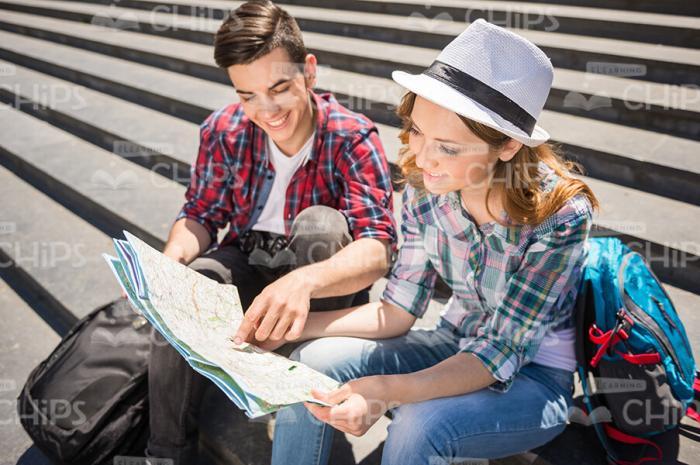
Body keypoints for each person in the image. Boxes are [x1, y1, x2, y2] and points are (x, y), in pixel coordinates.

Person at [269, 19, 600, 465]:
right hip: (452, 339)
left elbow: (500, 351)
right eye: (418, 131)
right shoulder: (427, 190)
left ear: (505, 145)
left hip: (535, 380)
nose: (421, 158)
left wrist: (384, 392)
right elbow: (397, 310)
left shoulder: (557, 216)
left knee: (419, 423)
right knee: (310, 361)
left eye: (446, 146)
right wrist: (282, 327)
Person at [145, 1, 396, 463]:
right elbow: (200, 213)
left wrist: (301, 281)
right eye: (247, 95)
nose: (266, 110)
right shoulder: (223, 129)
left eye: (279, 87)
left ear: (310, 72)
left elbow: (378, 249)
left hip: (320, 277)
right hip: (249, 258)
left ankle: (303, 383)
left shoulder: (351, 135)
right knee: (193, 276)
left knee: (320, 225)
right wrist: (170, 264)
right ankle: (166, 453)